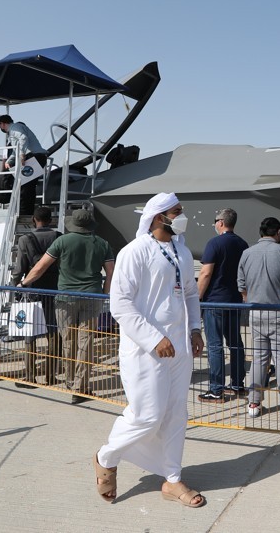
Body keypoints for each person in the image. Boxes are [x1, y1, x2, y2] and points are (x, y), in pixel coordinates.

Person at [94, 192, 206, 508]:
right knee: (147, 415)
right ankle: (107, 456)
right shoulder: (135, 252)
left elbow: (190, 295)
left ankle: (172, 479)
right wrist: (154, 338)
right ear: (159, 217)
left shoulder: (182, 253)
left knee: (175, 415)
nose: (182, 215)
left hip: (180, 347)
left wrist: (195, 329)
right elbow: (121, 303)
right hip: (145, 350)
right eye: (177, 211)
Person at [20, 209, 114, 404]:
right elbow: (111, 272)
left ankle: (71, 381)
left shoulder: (62, 241)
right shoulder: (102, 243)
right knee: (85, 342)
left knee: (68, 341)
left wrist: (23, 284)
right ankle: (81, 387)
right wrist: (104, 293)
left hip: (65, 298)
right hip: (92, 296)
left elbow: (40, 267)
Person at [238, 217, 280, 420]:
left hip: (256, 312)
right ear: (278, 232)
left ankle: (254, 403)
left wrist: (251, 305)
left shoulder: (247, 254)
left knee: (259, 358)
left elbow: (242, 286)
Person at [197, 208, 250, 403]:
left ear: (220, 222)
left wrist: (197, 298)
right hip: (235, 301)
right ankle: (237, 384)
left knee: (215, 345)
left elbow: (205, 273)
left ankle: (216, 389)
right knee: (235, 343)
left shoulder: (214, 243)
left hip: (215, 301)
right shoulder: (242, 244)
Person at [10, 206, 62, 389]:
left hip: (32, 291)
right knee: (53, 332)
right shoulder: (59, 237)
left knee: (30, 333)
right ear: (51, 219)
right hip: (55, 289)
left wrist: (14, 286)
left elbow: (20, 268)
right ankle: (51, 375)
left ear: (34, 219)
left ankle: (30, 376)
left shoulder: (25, 239)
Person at [0, 114, 48, 216]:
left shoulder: (15, 127)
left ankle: (25, 213)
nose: (0, 128)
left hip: (35, 156)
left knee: (26, 185)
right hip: (35, 157)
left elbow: (23, 138)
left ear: (2, 124)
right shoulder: (12, 132)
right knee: (27, 185)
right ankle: (25, 211)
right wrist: (9, 161)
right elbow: (16, 150)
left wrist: (22, 154)